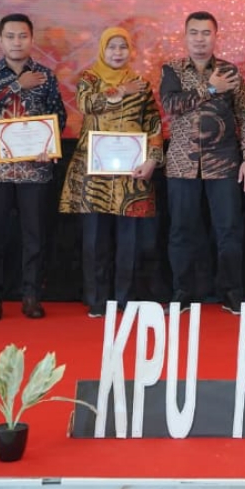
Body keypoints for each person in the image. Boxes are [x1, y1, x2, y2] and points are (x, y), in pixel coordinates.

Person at [59, 27, 164, 318]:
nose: (117, 52)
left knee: (130, 240)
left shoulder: (141, 84)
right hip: (95, 171)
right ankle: (97, 299)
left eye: (123, 47)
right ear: (102, 50)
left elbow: (153, 123)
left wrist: (152, 160)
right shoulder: (90, 78)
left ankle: (125, 298)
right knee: (95, 239)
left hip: (131, 171)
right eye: (112, 47)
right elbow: (86, 105)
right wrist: (119, 91)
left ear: (131, 51)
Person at [0, 13, 66, 321]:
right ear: (0, 40)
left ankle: (31, 295)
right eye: (10, 36)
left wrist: (49, 145)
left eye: (22, 36)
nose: (16, 42)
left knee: (34, 236)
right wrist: (15, 85)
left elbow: (58, 116)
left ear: (31, 39)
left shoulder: (45, 75)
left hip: (34, 169)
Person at [160, 11, 245, 313]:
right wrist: (211, 89)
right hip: (182, 163)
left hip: (224, 162)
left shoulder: (230, 71)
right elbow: (171, 105)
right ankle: (183, 292)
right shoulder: (172, 69)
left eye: (206, 33)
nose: (200, 39)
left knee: (229, 230)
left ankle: (231, 292)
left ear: (216, 36)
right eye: (194, 33)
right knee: (181, 231)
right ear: (185, 36)